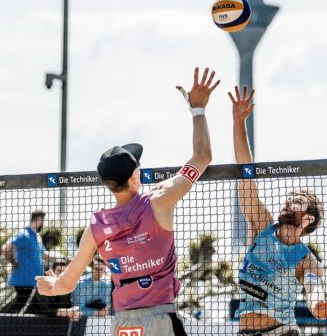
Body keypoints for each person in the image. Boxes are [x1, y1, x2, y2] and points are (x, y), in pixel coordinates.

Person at [36, 66, 221, 336]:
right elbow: (202, 156)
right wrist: (198, 109)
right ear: (135, 176)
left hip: (122, 324)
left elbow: (65, 285)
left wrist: (49, 285)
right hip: (160, 318)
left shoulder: (96, 227)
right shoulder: (160, 200)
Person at [229, 86, 327, 335]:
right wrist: (239, 123)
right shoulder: (262, 226)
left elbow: (313, 289)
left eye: (297, 200)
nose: (288, 200)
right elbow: (245, 177)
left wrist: (318, 306)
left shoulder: (306, 259)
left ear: (308, 218)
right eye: (289, 197)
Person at [2, 208, 50, 314]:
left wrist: (63, 258)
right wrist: (14, 263)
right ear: (40, 220)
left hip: (34, 280)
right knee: (22, 304)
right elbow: (6, 248)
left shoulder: (37, 237)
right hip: (23, 280)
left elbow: (44, 254)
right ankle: (0, 318)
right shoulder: (23, 234)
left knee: (25, 306)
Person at [25, 257, 80, 321]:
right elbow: (44, 309)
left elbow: (67, 306)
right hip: (29, 320)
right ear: (53, 271)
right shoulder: (44, 283)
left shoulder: (66, 286)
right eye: (59, 271)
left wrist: (73, 313)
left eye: (64, 272)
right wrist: (66, 312)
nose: (61, 274)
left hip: (51, 323)